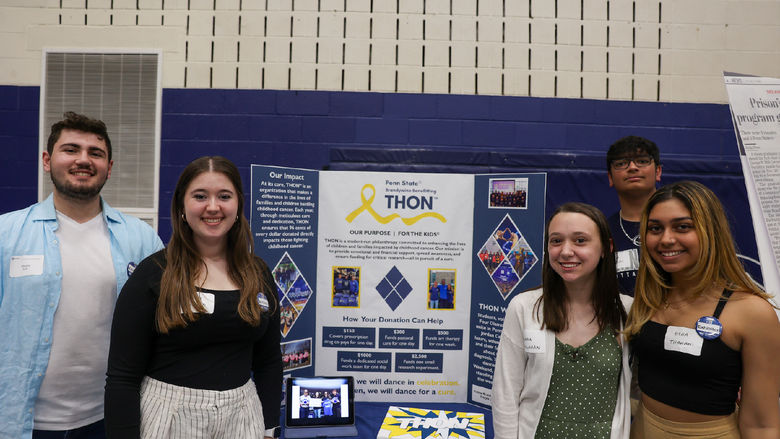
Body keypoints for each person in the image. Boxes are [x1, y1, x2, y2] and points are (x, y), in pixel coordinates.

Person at [0, 112, 163, 439]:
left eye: (95, 153)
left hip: (109, 419)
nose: (83, 160)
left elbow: (163, 327)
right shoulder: (6, 234)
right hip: (21, 422)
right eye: (71, 149)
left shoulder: (142, 240)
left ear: (110, 167)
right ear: (47, 161)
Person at [104, 156, 282, 439]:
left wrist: (270, 428)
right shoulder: (154, 274)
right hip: (169, 417)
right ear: (182, 207)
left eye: (224, 196)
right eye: (200, 196)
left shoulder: (257, 273)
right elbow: (122, 377)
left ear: (238, 205)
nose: (213, 206)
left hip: (244, 416)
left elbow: (269, 361)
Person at [625, 180, 780, 438]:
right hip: (643, 428)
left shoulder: (752, 313)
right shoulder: (648, 298)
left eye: (682, 227)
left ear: (711, 231)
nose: (666, 239)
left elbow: (762, 425)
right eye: (655, 228)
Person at [492, 202, 632, 439]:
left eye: (580, 240)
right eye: (556, 241)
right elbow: (506, 393)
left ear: (606, 247)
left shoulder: (627, 311)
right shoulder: (524, 308)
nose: (566, 251)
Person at [606, 135, 662, 296]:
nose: (632, 167)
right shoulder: (602, 232)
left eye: (642, 161)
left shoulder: (686, 226)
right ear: (610, 177)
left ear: (658, 171)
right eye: (621, 163)